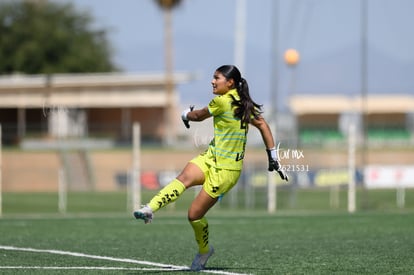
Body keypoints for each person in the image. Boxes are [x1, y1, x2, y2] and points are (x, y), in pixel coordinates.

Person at [134, 65, 288, 271]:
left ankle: (205, 250)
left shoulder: (222, 101)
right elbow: (263, 125)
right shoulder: (241, 103)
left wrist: (185, 114)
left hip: (226, 171)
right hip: (211, 157)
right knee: (184, 177)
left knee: (194, 215)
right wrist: (273, 156)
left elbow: (198, 116)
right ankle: (150, 208)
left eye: (217, 78)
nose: (212, 81)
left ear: (230, 82)